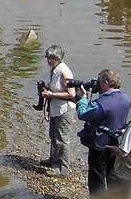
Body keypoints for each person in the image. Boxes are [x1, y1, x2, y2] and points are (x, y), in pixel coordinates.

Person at [76, 68, 130, 195]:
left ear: (106, 83)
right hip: (117, 143)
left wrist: (82, 98)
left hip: (100, 145)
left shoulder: (101, 104)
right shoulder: (126, 98)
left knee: (97, 179)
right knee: (112, 176)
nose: (97, 85)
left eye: (99, 82)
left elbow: (82, 114)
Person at [39, 45, 77, 177]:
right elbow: (55, 87)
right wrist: (46, 88)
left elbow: (71, 94)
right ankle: (53, 160)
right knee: (53, 136)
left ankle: (62, 169)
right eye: (48, 58)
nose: (49, 61)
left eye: (52, 58)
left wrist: (51, 95)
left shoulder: (64, 72)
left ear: (58, 59)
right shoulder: (54, 70)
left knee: (62, 139)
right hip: (55, 109)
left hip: (64, 110)